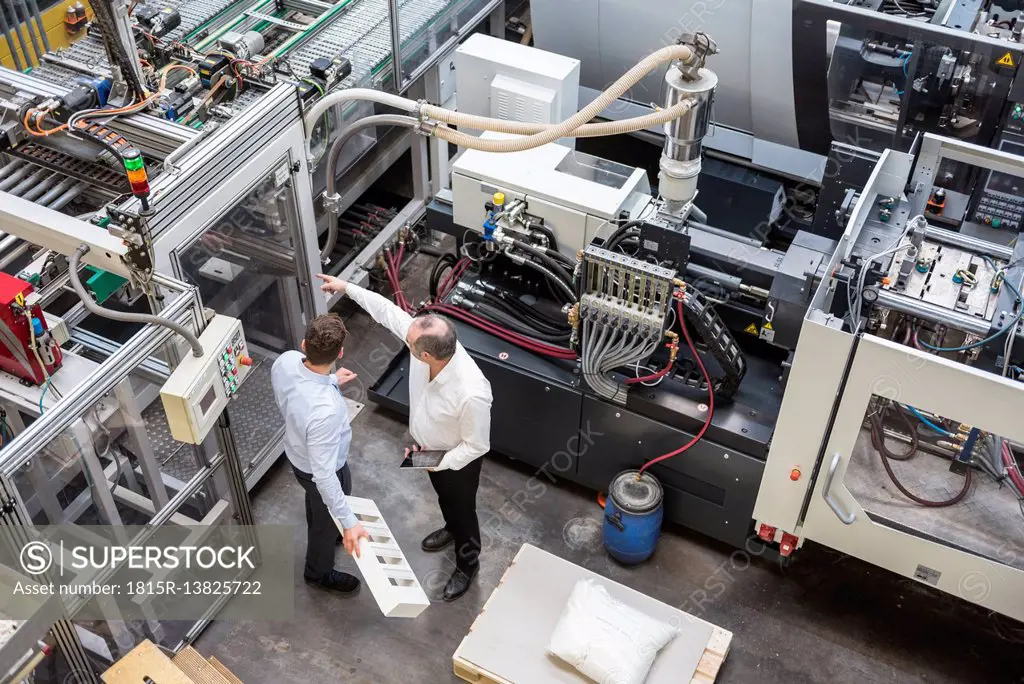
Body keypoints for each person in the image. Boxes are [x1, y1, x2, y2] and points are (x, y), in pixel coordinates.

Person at [317, 273, 493, 601]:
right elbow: (387, 313)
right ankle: (451, 529)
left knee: (463, 509)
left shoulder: (472, 393)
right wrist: (346, 288)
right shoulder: (425, 344)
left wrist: (437, 462)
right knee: (446, 502)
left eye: (411, 345)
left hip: (456, 460)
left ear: (426, 354)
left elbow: (477, 445)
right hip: (428, 451)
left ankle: (468, 563)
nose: (406, 340)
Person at [271, 313, 369, 595]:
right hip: (319, 470)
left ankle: (328, 526)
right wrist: (349, 522)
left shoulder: (285, 361)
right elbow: (324, 475)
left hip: (297, 454)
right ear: (340, 352)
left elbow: (300, 393)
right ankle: (318, 571)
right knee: (328, 512)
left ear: (303, 344)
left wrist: (330, 382)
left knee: (318, 502)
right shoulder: (327, 411)